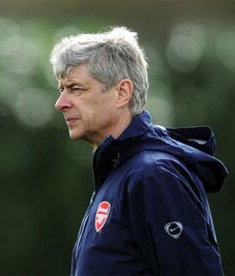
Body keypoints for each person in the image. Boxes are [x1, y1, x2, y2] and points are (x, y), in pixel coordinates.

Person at [49, 26, 228, 275]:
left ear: (122, 92)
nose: (61, 104)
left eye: (76, 88)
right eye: (61, 90)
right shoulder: (119, 172)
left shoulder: (153, 175)